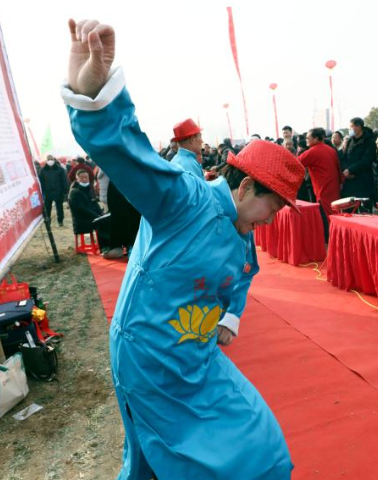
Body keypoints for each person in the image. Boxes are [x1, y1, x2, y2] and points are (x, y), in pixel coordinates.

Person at [64, 19, 303, 478]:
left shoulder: (242, 230)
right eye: (272, 208)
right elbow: (128, 155)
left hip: (197, 355)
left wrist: (231, 317)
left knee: (260, 441)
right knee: (172, 459)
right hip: (151, 356)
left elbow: (243, 274)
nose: (272, 220)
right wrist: (95, 98)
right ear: (246, 187)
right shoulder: (184, 200)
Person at [299, 127, 342, 240]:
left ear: (316, 139)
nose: (306, 140)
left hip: (322, 189)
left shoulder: (312, 151)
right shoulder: (331, 149)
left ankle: (330, 241)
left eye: (308, 138)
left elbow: (295, 163)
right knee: (335, 214)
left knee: (326, 217)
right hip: (334, 187)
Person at [341, 117, 376, 208]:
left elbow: (366, 160)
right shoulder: (350, 140)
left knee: (363, 209)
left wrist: (351, 170)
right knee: (349, 209)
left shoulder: (369, 141)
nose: (350, 129)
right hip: (349, 180)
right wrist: (346, 170)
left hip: (363, 180)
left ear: (358, 127)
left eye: (351, 126)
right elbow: (344, 157)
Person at [68, 170, 103, 236]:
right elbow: (82, 209)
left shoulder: (88, 188)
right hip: (82, 221)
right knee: (103, 224)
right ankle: (103, 242)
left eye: (86, 177)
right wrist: (97, 216)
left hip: (90, 217)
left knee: (106, 220)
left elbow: (94, 202)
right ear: (77, 179)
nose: (84, 179)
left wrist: (101, 213)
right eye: (82, 178)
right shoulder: (74, 192)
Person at [38, 155, 69, 227]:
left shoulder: (60, 169)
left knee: (58, 208)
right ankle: (49, 221)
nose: (50, 160)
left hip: (57, 191)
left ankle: (59, 221)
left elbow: (64, 180)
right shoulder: (43, 170)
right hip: (49, 192)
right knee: (48, 208)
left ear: (54, 160)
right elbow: (41, 182)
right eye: (49, 159)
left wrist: (65, 190)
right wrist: (42, 191)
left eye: (51, 159)